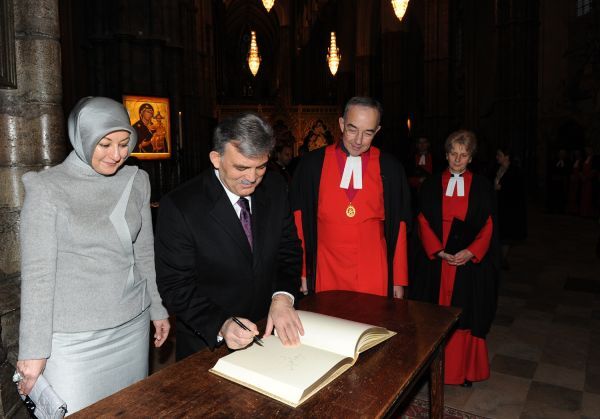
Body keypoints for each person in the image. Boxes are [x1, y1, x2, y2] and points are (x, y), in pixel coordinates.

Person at [15, 97, 170, 414]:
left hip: (132, 325)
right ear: (82, 137)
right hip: (73, 340)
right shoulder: (47, 188)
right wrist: (33, 350)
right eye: (105, 144)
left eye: (124, 144)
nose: (117, 155)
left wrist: (157, 307)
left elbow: (143, 252)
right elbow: (38, 275)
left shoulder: (136, 181)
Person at [155, 113, 304, 360]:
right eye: (241, 167)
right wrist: (221, 324)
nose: (252, 178)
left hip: (269, 330)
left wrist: (282, 297)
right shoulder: (181, 206)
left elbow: (288, 251)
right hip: (208, 343)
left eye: (261, 166)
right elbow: (175, 285)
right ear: (216, 159)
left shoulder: (275, 187)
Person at [290, 96, 411, 298]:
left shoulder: (390, 168)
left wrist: (398, 278)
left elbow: (400, 225)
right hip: (326, 267)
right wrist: (303, 271)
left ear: (377, 131)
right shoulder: (312, 165)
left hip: (373, 269)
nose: (358, 140)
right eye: (352, 129)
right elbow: (299, 222)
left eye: (368, 133)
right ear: (341, 124)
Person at [409, 130, 499, 387]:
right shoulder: (431, 185)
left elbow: (489, 224)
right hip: (438, 262)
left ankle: (462, 371)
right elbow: (422, 220)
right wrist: (438, 250)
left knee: (466, 312)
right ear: (446, 155)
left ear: (471, 158)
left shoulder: (482, 186)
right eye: (454, 153)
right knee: (434, 315)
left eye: (464, 154)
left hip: (467, 264)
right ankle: (432, 370)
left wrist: (471, 252)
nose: (458, 159)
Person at [494, 145, 527, 269]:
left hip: (509, 209)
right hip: (499, 206)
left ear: (507, 157)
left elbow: (517, 191)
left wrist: (502, 189)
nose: (497, 157)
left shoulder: (515, 171)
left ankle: (502, 260)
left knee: (506, 236)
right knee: (499, 235)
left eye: (499, 155)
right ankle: (500, 259)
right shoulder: (498, 169)